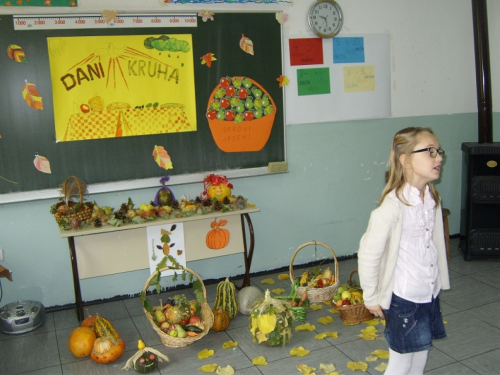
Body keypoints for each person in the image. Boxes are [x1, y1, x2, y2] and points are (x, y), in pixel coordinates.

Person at [357, 127, 450, 375]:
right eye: (430, 152)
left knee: (420, 360)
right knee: (401, 364)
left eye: (438, 151)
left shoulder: (431, 198)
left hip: (427, 294)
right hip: (404, 299)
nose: (439, 157)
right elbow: (368, 254)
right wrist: (371, 296)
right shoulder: (392, 208)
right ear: (405, 160)